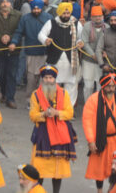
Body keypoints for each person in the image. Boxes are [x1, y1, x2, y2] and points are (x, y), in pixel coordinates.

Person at [28, 65, 77, 193]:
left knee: (58, 171)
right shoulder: (35, 95)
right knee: (39, 170)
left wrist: (57, 113)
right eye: (45, 77)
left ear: (55, 79)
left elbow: (70, 113)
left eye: (50, 77)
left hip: (60, 135)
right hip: (42, 135)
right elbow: (32, 115)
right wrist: (43, 114)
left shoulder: (64, 93)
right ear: (42, 79)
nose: (48, 80)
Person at [82, 73, 116, 193]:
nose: (111, 89)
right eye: (108, 86)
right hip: (101, 140)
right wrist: (91, 140)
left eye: (113, 86)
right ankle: (99, 190)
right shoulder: (93, 100)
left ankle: (113, 189)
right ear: (103, 86)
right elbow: (87, 121)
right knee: (99, 169)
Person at [38, 2, 81, 106]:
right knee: (52, 84)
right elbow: (41, 34)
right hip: (54, 60)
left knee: (70, 85)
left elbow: (80, 37)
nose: (66, 15)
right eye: (64, 13)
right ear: (59, 13)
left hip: (71, 62)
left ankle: (68, 108)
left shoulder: (76, 23)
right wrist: (45, 40)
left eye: (68, 13)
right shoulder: (51, 23)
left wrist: (80, 42)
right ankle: (51, 106)